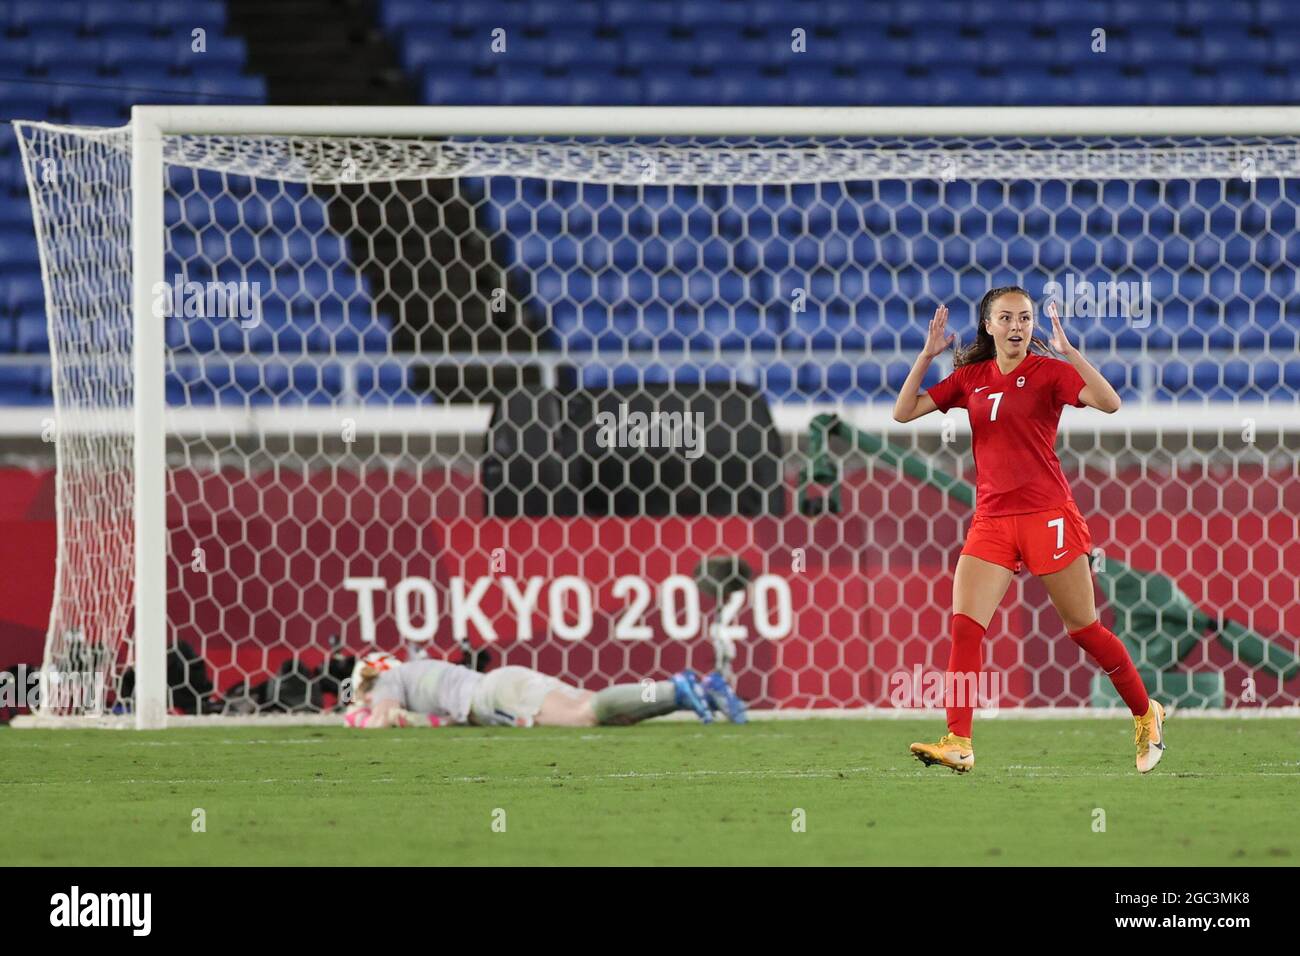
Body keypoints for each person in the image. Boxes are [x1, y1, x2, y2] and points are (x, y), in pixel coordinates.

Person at [892, 288, 1165, 774]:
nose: (1017, 325)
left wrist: (1070, 352)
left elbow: (1110, 402)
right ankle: (958, 738)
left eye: (1025, 317)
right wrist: (926, 356)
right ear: (989, 325)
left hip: (1049, 516)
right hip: (992, 519)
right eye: (1006, 318)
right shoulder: (970, 378)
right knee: (964, 627)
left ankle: (1147, 713)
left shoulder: (1049, 373)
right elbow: (904, 411)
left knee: (1084, 630)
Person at [343, 651, 745, 728]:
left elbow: (383, 720)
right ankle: (700, 692)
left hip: (493, 696)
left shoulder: (387, 681)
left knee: (585, 717)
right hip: (503, 682)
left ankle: (677, 688)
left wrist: (354, 716)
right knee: (606, 711)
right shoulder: (414, 670)